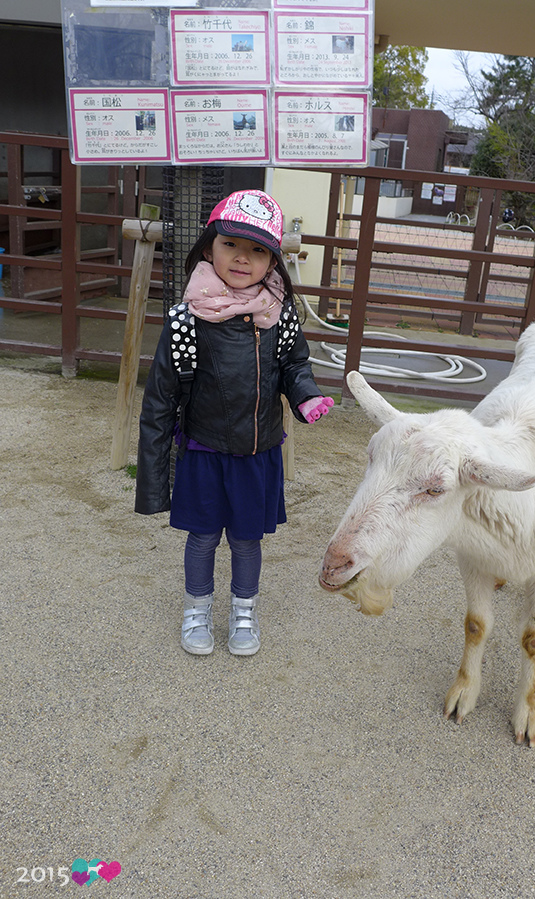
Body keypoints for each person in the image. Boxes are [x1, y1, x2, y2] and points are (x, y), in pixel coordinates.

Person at [135, 189, 333, 657]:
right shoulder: (186, 318)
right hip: (203, 450)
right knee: (202, 537)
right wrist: (153, 484)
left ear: (273, 262)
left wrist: (305, 397)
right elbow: (160, 402)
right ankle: (196, 608)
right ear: (209, 247)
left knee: (247, 540)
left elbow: (294, 366)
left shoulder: (281, 315)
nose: (243, 258)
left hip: (257, 452)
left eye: (258, 250)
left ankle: (245, 611)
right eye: (231, 245)